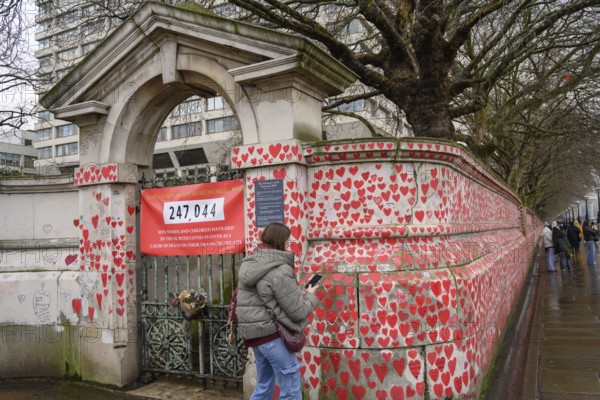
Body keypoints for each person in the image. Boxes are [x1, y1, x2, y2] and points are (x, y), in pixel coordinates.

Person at [236, 222, 319, 400]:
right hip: (272, 336)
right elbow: (298, 311)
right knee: (291, 389)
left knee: (264, 386)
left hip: (255, 337)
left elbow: (265, 298)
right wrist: (310, 295)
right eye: (288, 241)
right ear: (281, 241)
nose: (289, 244)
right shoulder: (279, 269)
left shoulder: (249, 263)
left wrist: (296, 293)